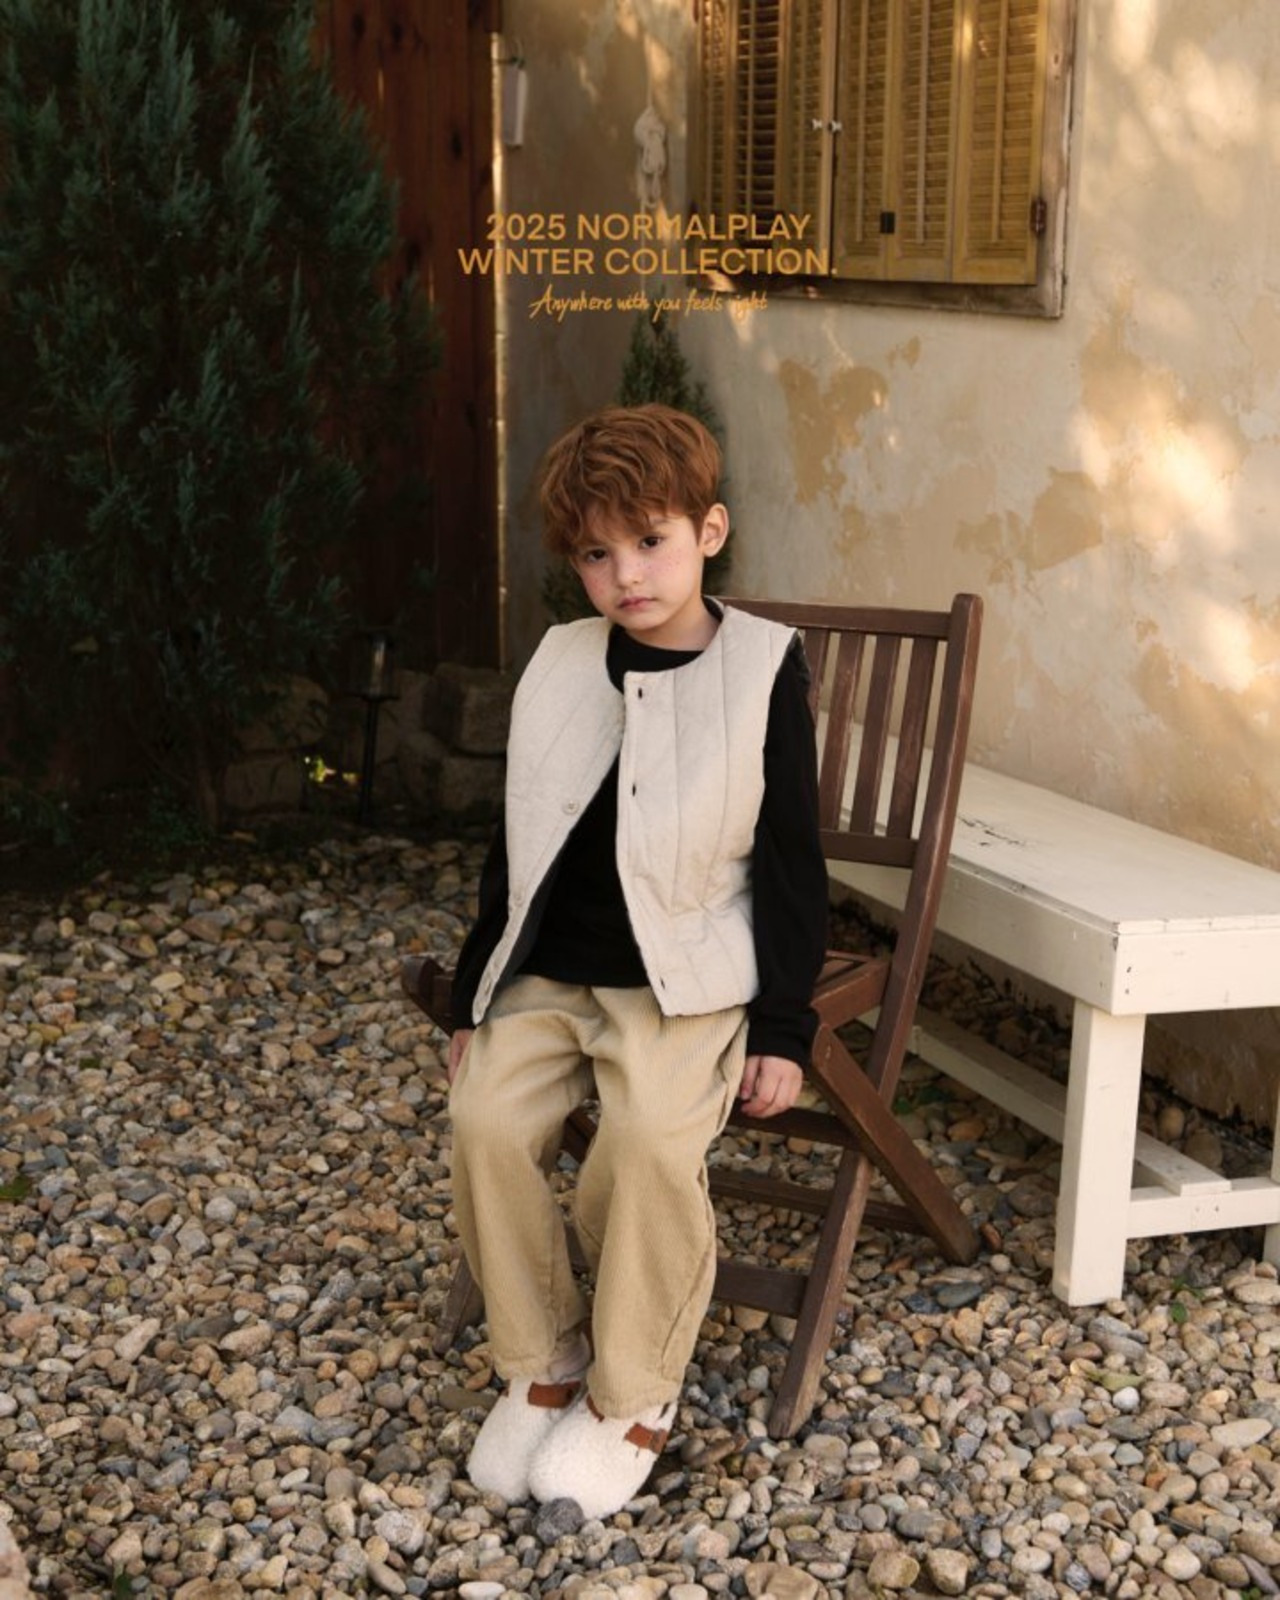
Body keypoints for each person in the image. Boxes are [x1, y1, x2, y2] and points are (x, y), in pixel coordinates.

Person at [445, 402, 828, 1519]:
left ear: (709, 531)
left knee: (650, 1144)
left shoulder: (761, 668)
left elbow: (794, 864)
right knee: (484, 1122)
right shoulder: (562, 660)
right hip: (547, 974)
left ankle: (630, 1394)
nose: (624, 576)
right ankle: (543, 1359)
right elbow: (516, 838)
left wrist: (783, 1027)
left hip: (684, 978)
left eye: (649, 541)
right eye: (594, 555)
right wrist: (475, 995)